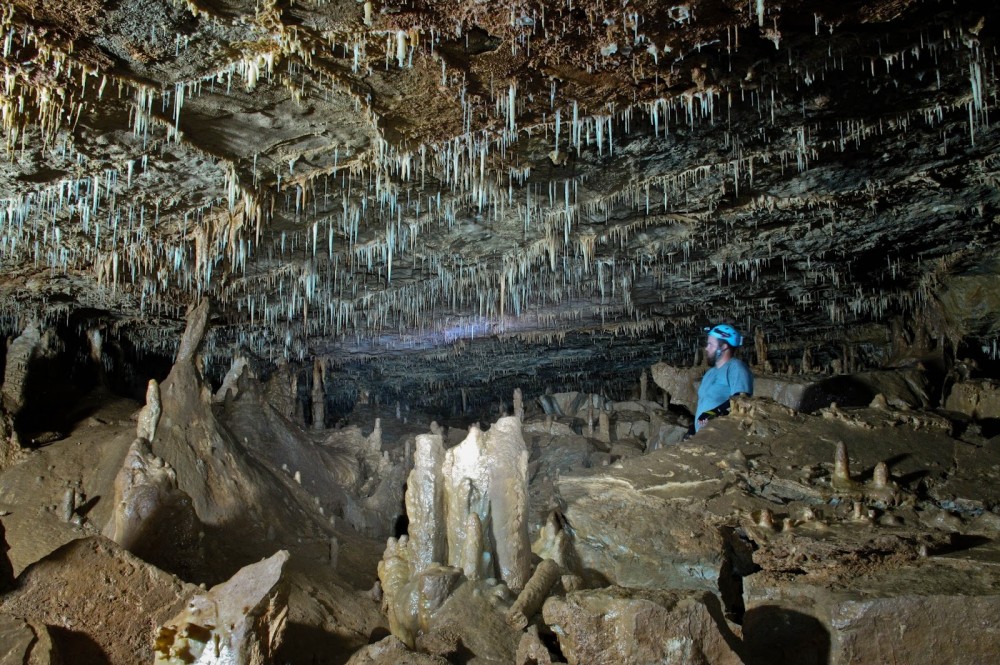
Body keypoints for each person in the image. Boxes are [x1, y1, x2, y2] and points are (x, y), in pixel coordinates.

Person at [694, 324, 754, 432]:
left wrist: (713, 412)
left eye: (711, 345)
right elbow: (703, 404)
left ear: (723, 347)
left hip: (721, 434)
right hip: (702, 436)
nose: (707, 348)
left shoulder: (736, 367)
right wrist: (692, 430)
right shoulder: (709, 373)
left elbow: (742, 399)